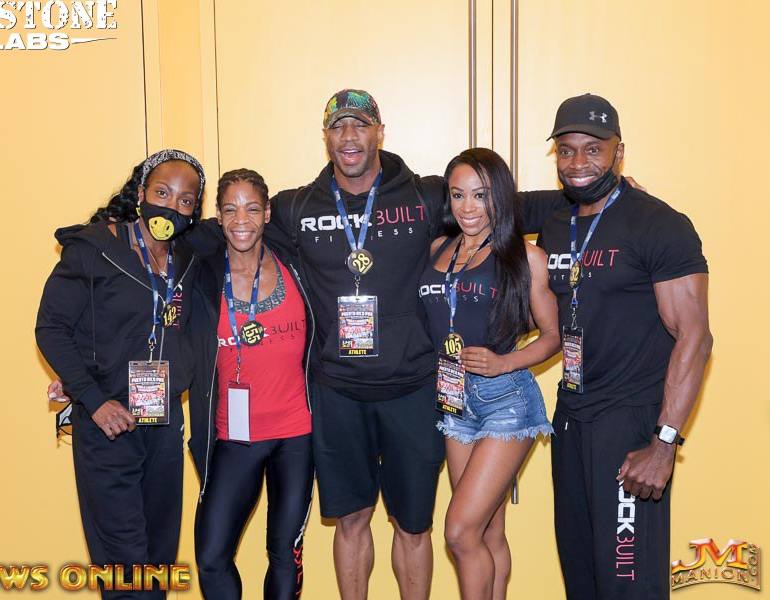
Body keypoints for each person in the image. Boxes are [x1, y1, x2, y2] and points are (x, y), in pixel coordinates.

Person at [258, 89, 569, 600]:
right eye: (338, 126)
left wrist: (590, 194)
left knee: (416, 524)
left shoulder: (424, 196)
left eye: (361, 125)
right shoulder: (296, 207)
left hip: (416, 390)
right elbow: (234, 223)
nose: (349, 136)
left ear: (380, 132)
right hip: (337, 391)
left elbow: (507, 202)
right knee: (352, 519)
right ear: (325, 136)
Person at [536, 94, 712, 599]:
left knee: (628, 583)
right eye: (566, 150)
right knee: (583, 580)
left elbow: (695, 337)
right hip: (571, 419)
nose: (578, 163)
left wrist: (664, 443)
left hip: (630, 425)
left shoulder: (659, 224)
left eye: (593, 149)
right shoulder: (556, 222)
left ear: (619, 152)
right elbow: (485, 199)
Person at [35, 149, 206, 599]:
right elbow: (51, 328)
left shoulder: (189, 257)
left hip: (164, 423)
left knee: (159, 559)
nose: (171, 206)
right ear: (141, 192)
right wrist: (90, 397)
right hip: (108, 425)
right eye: (162, 193)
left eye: (185, 200)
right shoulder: (96, 248)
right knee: (124, 563)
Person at [419, 148, 559, 600]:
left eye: (480, 195)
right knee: (487, 532)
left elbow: (553, 336)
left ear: (499, 196)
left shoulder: (526, 257)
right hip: (454, 399)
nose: (468, 207)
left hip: (506, 400)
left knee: (459, 532)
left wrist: (505, 362)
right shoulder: (438, 249)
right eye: (458, 194)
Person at [186, 169, 314, 600]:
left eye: (252, 208)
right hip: (233, 435)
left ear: (268, 213)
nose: (242, 220)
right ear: (218, 217)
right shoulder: (202, 273)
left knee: (284, 553)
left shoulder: (295, 262)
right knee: (211, 558)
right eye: (231, 209)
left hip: (296, 434)